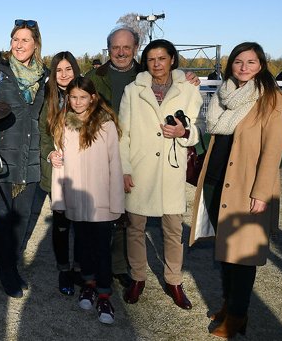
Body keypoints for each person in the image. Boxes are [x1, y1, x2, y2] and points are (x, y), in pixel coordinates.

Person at [190, 42, 282, 338]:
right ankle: (228, 304)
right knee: (226, 250)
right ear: (230, 64)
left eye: (251, 62)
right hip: (218, 180)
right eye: (238, 62)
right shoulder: (225, 93)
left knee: (243, 254)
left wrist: (261, 192)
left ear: (261, 65)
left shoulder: (272, 99)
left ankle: (237, 315)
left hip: (246, 185)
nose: (244, 67)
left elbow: (273, 150)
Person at [86, 26, 199, 288]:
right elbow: (114, 127)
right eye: (115, 47)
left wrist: (185, 132)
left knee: (163, 228)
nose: (121, 52)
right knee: (114, 221)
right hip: (115, 158)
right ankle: (113, 271)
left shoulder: (176, 84)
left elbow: (196, 127)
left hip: (164, 166)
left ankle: (164, 279)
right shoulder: (105, 80)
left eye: (126, 47)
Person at [118, 39, 202, 310]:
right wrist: (125, 169)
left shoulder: (188, 88)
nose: (156, 64)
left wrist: (184, 132)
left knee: (173, 230)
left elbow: (197, 129)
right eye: (151, 59)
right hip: (140, 168)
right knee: (135, 228)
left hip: (171, 169)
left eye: (162, 58)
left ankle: (174, 281)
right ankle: (138, 277)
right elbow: (123, 134)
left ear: (172, 60)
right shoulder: (133, 90)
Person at [49, 76, 124, 324]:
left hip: (101, 200)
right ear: (68, 99)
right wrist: (60, 200)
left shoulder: (106, 125)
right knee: (82, 246)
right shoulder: (64, 124)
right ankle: (88, 285)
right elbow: (59, 162)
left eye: (83, 97)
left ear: (93, 97)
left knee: (102, 248)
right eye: (73, 97)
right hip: (76, 200)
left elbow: (115, 164)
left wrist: (117, 202)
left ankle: (104, 293)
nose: (78, 102)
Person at [0, 19, 46, 298]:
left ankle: (13, 263)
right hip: (0, 157)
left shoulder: (44, 77)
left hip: (30, 156)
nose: (19, 45)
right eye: (15, 39)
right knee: (4, 215)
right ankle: (6, 270)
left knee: (23, 216)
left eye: (25, 40)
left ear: (35, 44)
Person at [39, 51, 82, 296]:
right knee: (62, 222)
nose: (64, 75)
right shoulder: (49, 99)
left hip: (83, 171)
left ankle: (79, 267)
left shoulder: (87, 95)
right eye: (59, 70)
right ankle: (63, 268)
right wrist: (50, 154)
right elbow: (43, 135)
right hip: (58, 171)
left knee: (83, 222)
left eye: (68, 69)